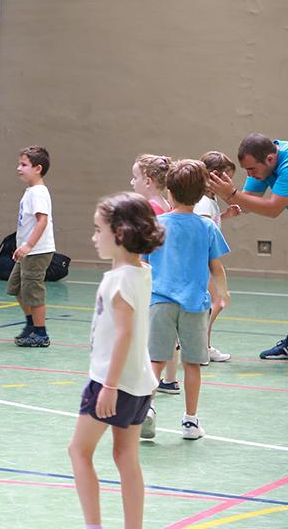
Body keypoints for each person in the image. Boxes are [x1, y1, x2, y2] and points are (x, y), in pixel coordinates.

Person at [67, 192, 164, 529]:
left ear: (119, 233)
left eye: (98, 230)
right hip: (140, 384)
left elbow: (123, 334)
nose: (94, 237)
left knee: (78, 451)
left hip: (112, 382)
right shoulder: (141, 271)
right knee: (125, 457)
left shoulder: (119, 281)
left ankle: (93, 525)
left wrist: (108, 386)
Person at [141, 160, 229, 441]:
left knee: (155, 359)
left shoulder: (156, 225)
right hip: (194, 304)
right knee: (192, 364)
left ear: (169, 191)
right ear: (202, 193)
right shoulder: (206, 227)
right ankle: (190, 422)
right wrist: (223, 292)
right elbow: (216, 267)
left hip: (160, 302)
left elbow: (142, 264)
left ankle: (147, 409)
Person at [209, 133, 288, 360]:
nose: (250, 175)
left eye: (252, 170)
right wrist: (224, 193)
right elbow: (244, 204)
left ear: (270, 160)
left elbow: (273, 209)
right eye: (246, 170)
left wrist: (231, 194)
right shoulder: (261, 164)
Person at [129, 154, 181, 393]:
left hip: (152, 276)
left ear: (148, 181)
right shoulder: (167, 204)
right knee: (169, 330)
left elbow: (144, 245)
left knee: (151, 331)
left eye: (135, 177)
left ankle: (147, 378)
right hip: (166, 274)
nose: (132, 182)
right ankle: (170, 379)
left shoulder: (149, 208)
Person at [194, 151, 241, 364]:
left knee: (213, 303)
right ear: (214, 176)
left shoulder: (210, 200)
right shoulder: (203, 202)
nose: (229, 183)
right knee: (217, 301)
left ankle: (204, 345)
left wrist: (224, 216)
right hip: (202, 262)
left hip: (204, 261)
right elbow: (202, 231)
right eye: (227, 178)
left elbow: (209, 224)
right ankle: (198, 345)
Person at [10, 146, 56, 348]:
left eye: (24, 164)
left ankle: (41, 333)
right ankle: (31, 325)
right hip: (27, 250)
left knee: (33, 291)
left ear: (37, 168)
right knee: (17, 287)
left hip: (37, 251)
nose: (19, 168)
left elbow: (42, 221)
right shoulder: (31, 191)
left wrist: (28, 245)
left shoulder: (38, 192)